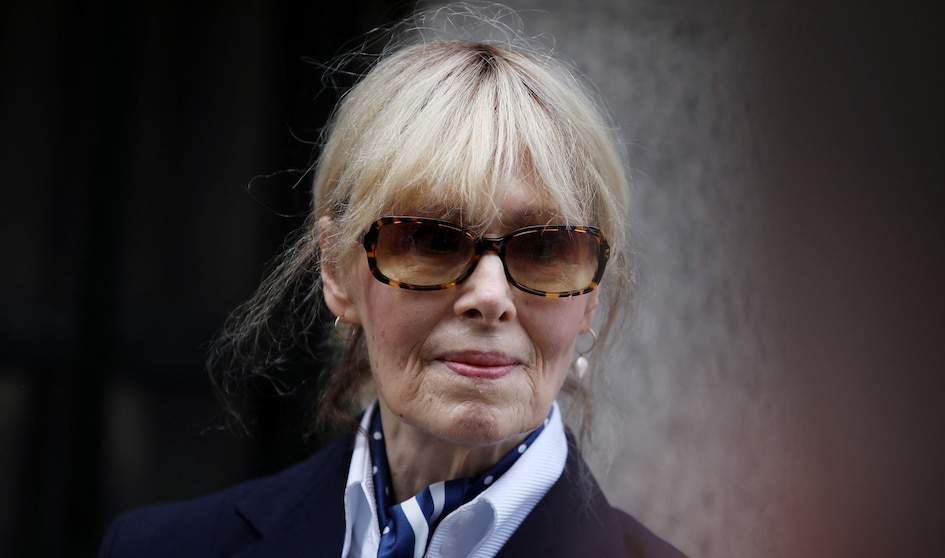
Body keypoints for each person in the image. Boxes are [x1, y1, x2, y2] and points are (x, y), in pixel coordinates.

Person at [99, 6, 686, 558]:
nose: (489, 298)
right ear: (337, 270)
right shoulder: (161, 548)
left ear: (590, 296)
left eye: (544, 249)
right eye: (431, 240)